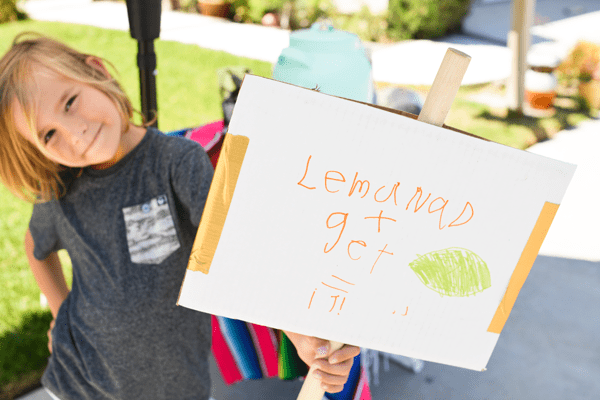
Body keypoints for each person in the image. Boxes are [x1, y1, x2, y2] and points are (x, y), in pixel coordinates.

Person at [0, 32, 360, 400]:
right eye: (48, 134)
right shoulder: (60, 189)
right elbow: (35, 247)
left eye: (70, 102)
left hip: (177, 385)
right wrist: (61, 314)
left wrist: (299, 335)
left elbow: (235, 254)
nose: (73, 134)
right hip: (80, 384)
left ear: (96, 71)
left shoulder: (176, 163)